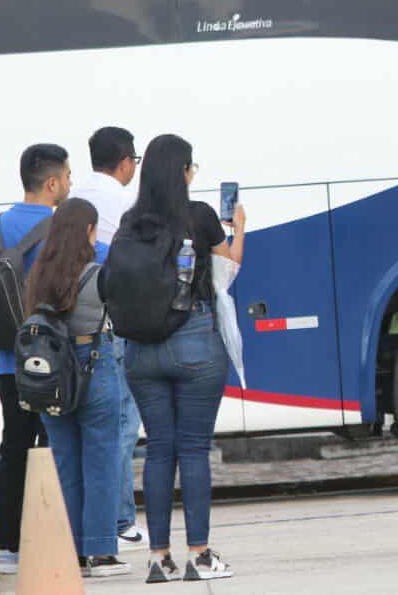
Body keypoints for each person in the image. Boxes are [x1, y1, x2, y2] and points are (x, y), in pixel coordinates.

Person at [117, 134, 245, 583]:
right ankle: (200, 555)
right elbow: (226, 274)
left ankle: (158, 559)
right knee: (192, 449)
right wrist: (239, 228)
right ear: (184, 172)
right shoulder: (201, 217)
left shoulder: (131, 222)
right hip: (193, 343)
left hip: (141, 352)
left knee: (158, 451)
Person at [25, 198, 130, 577]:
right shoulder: (98, 275)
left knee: (66, 462)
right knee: (101, 459)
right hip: (93, 367)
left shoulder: (38, 277)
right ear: (87, 231)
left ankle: (72, 553)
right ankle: (101, 553)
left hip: (51, 376)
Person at [0, 143, 71, 575]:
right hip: (51, 361)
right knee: (56, 446)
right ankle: (54, 537)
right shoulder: (61, 228)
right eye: (68, 177)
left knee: (14, 446)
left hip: (6, 361)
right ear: (52, 182)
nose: (69, 184)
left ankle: (9, 545)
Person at [71, 127, 146, 549]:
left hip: (80, 329)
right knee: (121, 427)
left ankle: (103, 519)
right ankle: (120, 520)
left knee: (95, 430)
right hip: (114, 326)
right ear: (124, 162)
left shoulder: (75, 196)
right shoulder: (123, 202)